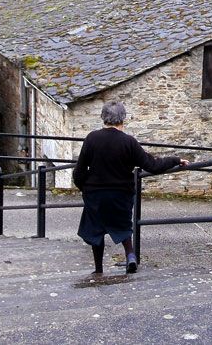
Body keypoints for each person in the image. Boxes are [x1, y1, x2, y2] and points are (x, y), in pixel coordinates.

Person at [72, 101, 187, 275]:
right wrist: (176, 160)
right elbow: (152, 165)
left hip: (95, 194)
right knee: (123, 226)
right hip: (120, 193)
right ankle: (130, 256)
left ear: (103, 117)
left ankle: (98, 269)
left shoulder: (91, 138)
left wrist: (84, 188)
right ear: (123, 119)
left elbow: (79, 170)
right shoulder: (129, 142)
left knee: (96, 230)